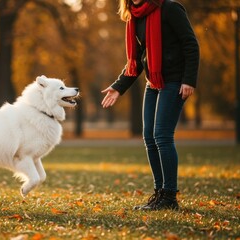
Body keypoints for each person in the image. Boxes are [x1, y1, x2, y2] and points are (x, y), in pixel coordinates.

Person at [101, 0, 199, 210]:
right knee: (149, 137)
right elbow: (135, 61)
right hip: (153, 82)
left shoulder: (170, 8)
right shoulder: (134, 16)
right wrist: (118, 87)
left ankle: (170, 196)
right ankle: (159, 193)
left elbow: (190, 44)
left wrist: (189, 79)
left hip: (174, 81)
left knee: (162, 136)